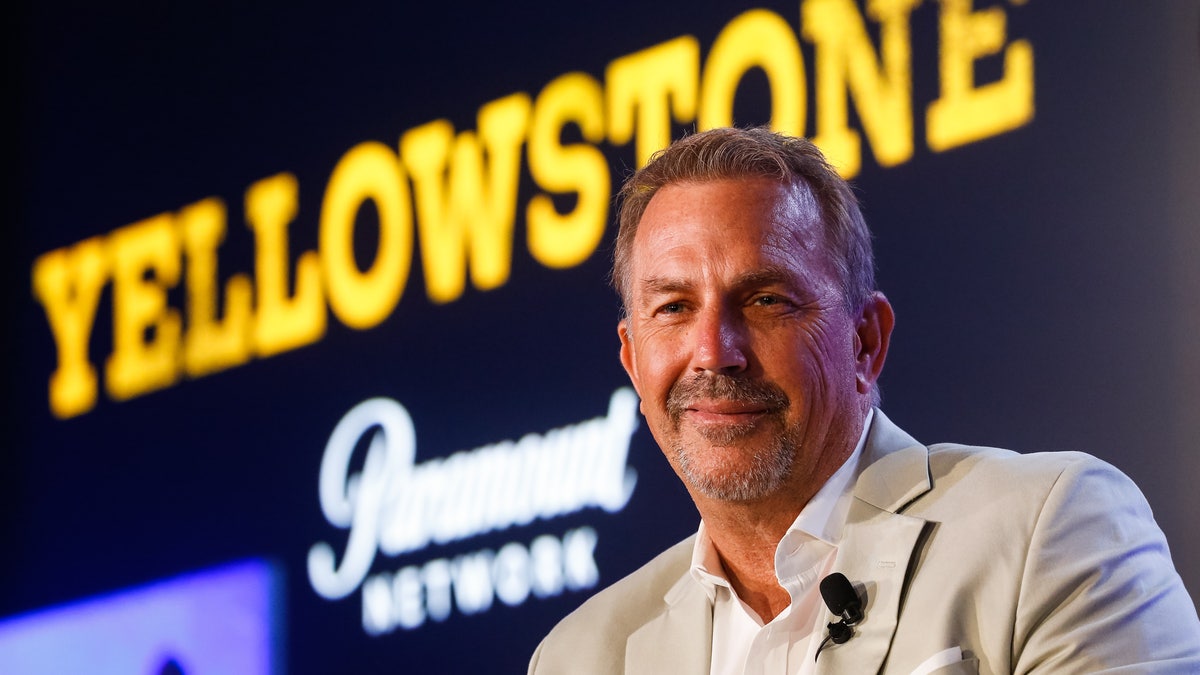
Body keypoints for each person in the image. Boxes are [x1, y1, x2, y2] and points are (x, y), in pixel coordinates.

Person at [527, 127, 1200, 674]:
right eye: (673, 307)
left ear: (865, 341)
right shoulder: (581, 657)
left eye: (765, 300)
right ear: (633, 361)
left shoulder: (1050, 531)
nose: (714, 351)